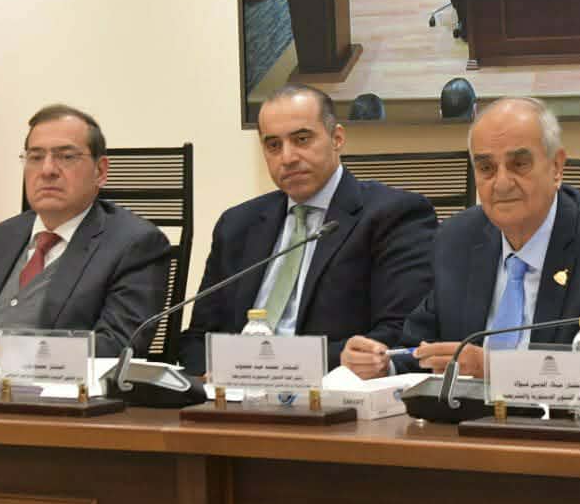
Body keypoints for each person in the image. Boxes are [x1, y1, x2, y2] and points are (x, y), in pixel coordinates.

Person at [341, 97, 580, 392]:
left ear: (556, 166)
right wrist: (383, 364)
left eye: (519, 164)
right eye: (486, 168)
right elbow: (421, 348)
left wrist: (495, 370)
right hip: (465, 428)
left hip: (567, 432)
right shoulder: (456, 239)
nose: (502, 183)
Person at [180, 85, 435, 373]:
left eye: (302, 139)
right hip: (234, 392)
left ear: (337, 138)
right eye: (273, 145)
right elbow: (197, 338)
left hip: (333, 388)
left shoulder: (394, 215)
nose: (287, 157)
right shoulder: (237, 224)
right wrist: (210, 374)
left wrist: (285, 367)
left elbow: (400, 333)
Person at [0, 104, 171, 361]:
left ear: (100, 171)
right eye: (35, 157)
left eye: (66, 157)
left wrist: (8, 354)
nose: (47, 170)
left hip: (55, 386)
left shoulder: (135, 244)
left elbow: (116, 347)